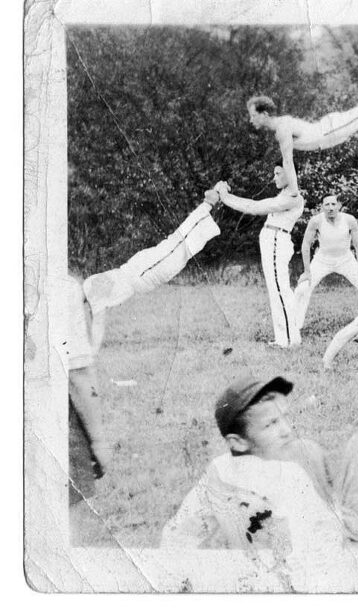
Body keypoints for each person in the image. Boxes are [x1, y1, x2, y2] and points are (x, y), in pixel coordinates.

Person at [161, 375, 358, 553]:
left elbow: (176, 538)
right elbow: (323, 550)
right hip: (341, 562)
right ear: (238, 441)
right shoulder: (289, 477)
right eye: (271, 424)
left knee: (306, 449)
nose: (286, 430)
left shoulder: (219, 472)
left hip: (298, 551)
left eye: (284, 418)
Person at [82, 189, 223, 353]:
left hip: (139, 272)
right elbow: (96, 323)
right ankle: (210, 203)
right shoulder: (90, 292)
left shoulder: (89, 287)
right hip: (140, 275)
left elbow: (97, 323)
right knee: (178, 245)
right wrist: (90, 351)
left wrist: (90, 351)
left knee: (178, 245)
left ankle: (211, 203)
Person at [247, 69, 358, 194]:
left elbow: (288, 162)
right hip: (331, 132)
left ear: (264, 114)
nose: (251, 120)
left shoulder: (281, 128)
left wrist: (293, 192)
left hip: (331, 130)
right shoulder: (280, 126)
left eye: (253, 115)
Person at [216, 166, 305, 348]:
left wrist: (225, 196)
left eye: (278, 173)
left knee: (280, 290)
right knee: (276, 290)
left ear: (290, 173)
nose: (274, 178)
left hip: (276, 240)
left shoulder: (294, 197)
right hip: (272, 240)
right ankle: (283, 338)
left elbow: (255, 207)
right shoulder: (283, 195)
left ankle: (290, 340)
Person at [65, 275, 115, 545]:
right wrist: (98, 439)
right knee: (66, 522)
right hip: (53, 419)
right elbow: (79, 374)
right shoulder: (62, 287)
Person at [293, 194, 358, 333]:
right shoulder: (316, 221)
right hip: (322, 260)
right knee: (302, 289)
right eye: (327, 205)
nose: (330, 208)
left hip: (346, 260)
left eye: (333, 204)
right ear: (322, 207)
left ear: (338, 206)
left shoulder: (349, 220)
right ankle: (294, 326)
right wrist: (307, 272)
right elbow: (306, 245)